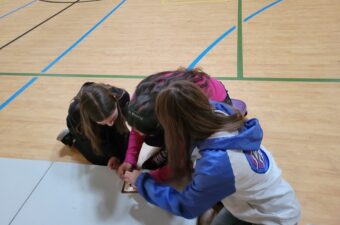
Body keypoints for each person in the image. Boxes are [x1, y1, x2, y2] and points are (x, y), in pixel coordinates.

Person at [124, 81, 301, 225]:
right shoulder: (216, 110)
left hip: (272, 217)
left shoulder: (217, 164)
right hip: (264, 199)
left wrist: (142, 182)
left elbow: (186, 206)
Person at [117, 68, 247, 182]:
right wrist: (130, 159)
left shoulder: (183, 118)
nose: (139, 134)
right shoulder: (140, 98)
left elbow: (179, 167)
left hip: (217, 101)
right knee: (152, 138)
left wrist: (145, 179)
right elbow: (138, 124)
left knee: (191, 149)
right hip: (188, 100)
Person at [57, 82, 130, 169]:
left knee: (126, 150)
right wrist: (113, 155)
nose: (111, 124)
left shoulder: (122, 97)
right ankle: (71, 139)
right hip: (83, 129)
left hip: (99, 124)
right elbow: (95, 139)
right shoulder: (76, 113)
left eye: (112, 118)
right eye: (104, 122)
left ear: (115, 102)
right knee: (100, 159)